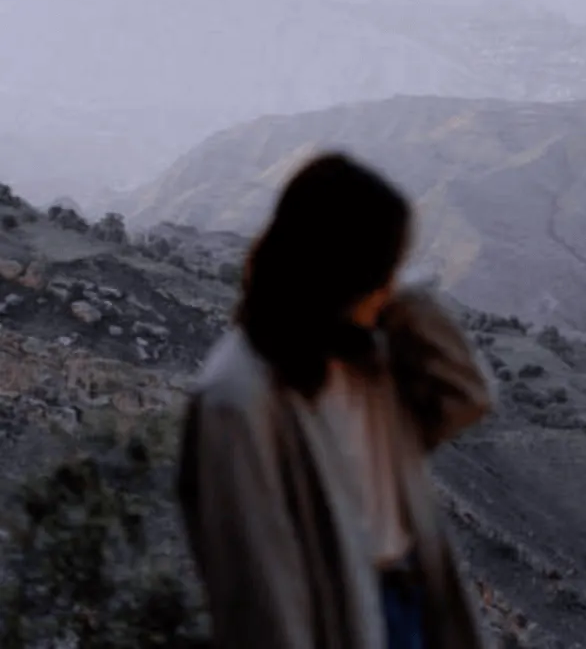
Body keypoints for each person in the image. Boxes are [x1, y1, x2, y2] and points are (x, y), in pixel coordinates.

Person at [176, 152, 494, 649]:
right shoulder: (238, 396)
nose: (389, 286)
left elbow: (466, 396)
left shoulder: (368, 355)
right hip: (340, 618)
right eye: (382, 271)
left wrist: (406, 299)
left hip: (409, 602)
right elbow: (260, 590)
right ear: (337, 270)